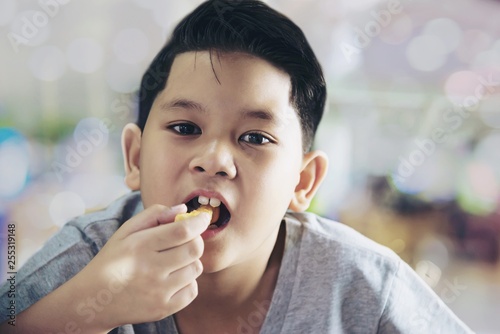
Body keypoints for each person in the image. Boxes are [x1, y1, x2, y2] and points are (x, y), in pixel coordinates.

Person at [0, 0, 473, 333]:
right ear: (136, 157)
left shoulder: (363, 284)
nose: (215, 160)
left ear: (302, 182)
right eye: (186, 128)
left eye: (255, 137)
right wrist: (87, 308)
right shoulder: (88, 257)